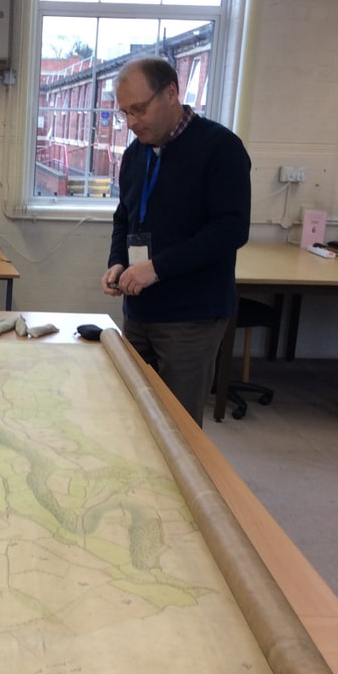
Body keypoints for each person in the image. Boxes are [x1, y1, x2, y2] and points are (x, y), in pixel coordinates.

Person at [102, 57, 251, 426]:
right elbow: (125, 217)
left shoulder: (220, 148)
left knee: (179, 425)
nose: (132, 122)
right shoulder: (135, 153)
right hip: (139, 310)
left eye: (138, 109)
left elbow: (231, 229)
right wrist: (118, 262)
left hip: (190, 316)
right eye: (124, 113)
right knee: (134, 415)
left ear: (171, 92)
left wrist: (157, 268)